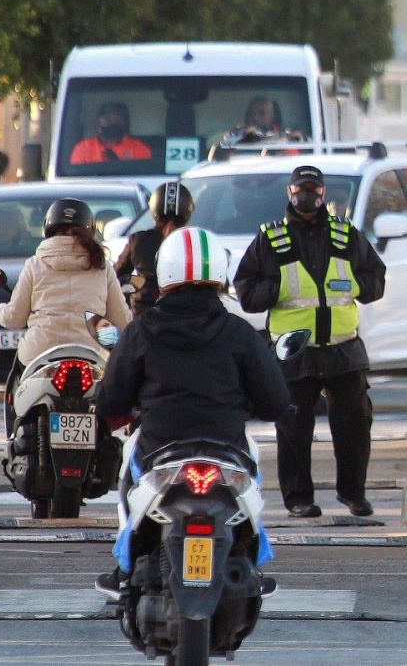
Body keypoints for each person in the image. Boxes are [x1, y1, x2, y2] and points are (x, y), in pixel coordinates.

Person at [96, 226, 292, 586]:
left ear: (165, 272)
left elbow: (111, 400)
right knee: (254, 482)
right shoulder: (240, 332)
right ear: (219, 273)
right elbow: (276, 401)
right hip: (227, 448)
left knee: (127, 481)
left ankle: (125, 567)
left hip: (159, 448)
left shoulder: (141, 330)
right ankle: (252, 560)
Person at [233, 164, 386, 518]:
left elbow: (376, 280)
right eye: (301, 189)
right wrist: (278, 289)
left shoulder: (344, 234)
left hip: (343, 348)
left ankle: (353, 494)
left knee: (354, 423)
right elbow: (247, 293)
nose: (308, 195)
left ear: (323, 194)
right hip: (293, 350)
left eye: (314, 190)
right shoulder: (271, 239)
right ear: (290, 193)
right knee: (293, 430)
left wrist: (354, 287)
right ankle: (299, 498)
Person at [0, 198, 133, 435]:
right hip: (92, 355)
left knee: (16, 390)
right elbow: (122, 321)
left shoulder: (35, 265)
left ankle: (12, 435)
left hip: (39, 354)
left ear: (49, 227)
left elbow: (14, 318)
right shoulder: (102, 266)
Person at [114, 181, 195, 316]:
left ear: (154, 209)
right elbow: (218, 285)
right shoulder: (195, 243)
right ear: (188, 211)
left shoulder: (139, 240)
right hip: (189, 320)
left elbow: (115, 278)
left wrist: (139, 284)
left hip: (144, 319)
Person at [69, 102, 150, 165]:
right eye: (107, 119)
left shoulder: (139, 149)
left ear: (125, 124)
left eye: (117, 119)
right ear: (98, 123)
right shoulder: (83, 149)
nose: (112, 123)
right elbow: (77, 179)